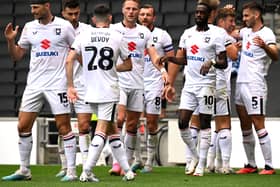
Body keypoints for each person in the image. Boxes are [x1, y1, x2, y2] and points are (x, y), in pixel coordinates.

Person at [2, 0, 77, 182]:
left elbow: (77, 50)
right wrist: (10, 41)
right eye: (32, 8)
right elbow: (17, 56)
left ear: (47, 6)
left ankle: (72, 171)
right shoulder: (29, 27)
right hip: (34, 84)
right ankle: (24, 170)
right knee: (23, 126)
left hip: (57, 83)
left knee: (63, 127)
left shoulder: (64, 26)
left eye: (36, 7)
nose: (33, 11)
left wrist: (72, 81)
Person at [66, 3, 135, 182]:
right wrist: (112, 67)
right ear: (110, 18)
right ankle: (86, 171)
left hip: (89, 90)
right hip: (109, 90)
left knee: (112, 131)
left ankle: (127, 171)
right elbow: (128, 65)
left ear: (94, 19)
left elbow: (69, 60)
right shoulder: (118, 36)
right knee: (102, 129)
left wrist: (70, 86)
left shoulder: (83, 35)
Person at [163, 0, 227, 176]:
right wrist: (169, 59)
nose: (198, 15)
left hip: (207, 84)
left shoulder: (217, 34)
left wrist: (212, 61)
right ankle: (195, 154)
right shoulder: (187, 34)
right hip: (189, 85)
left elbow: (224, 61)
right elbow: (185, 59)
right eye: (197, 13)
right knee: (182, 122)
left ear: (208, 15)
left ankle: (201, 165)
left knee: (205, 123)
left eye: (202, 13)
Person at [108, 0, 167, 175]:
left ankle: (125, 164)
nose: (132, 12)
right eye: (129, 9)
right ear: (123, 10)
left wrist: (163, 70)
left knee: (132, 125)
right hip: (118, 82)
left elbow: (154, 54)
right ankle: (117, 163)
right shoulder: (113, 29)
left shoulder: (144, 33)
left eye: (135, 9)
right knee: (118, 120)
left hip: (137, 83)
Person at [235, 1, 278, 175]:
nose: (244, 19)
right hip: (240, 83)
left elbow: (275, 55)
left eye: (246, 15)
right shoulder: (245, 32)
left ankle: (268, 166)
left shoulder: (266, 33)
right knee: (245, 126)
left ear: (256, 15)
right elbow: (231, 32)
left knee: (258, 124)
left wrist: (265, 46)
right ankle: (251, 164)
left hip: (255, 84)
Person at [130, 3, 174, 173]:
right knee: (132, 122)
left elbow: (171, 60)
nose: (144, 17)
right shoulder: (131, 34)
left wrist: (168, 82)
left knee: (152, 123)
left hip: (154, 84)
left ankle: (149, 161)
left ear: (154, 17)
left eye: (148, 15)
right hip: (135, 82)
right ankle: (137, 158)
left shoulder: (162, 35)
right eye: (142, 14)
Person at [55, 0, 92, 178]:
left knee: (84, 125)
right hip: (60, 83)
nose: (73, 17)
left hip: (83, 83)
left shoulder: (87, 30)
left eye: (76, 13)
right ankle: (65, 166)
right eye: (70, 14)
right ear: (63, 13)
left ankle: (86, 167)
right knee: (64, 126)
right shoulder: (56, 29)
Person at [206, 6, 239, 174]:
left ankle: (211, 163)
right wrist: (235, 45)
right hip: (220, 84)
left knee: (216, 126)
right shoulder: (223, 36)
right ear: (220, 22)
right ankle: (225, 165)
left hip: (206, 85)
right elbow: (233, 55)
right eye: (230, 21)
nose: (234, 24)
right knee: (225, 124)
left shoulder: (207, 33)